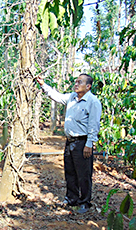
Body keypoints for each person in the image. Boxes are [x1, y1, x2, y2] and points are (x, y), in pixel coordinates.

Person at [36, 74, 102, 214]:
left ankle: (84, 202)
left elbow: (94, 125)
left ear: (88, 86)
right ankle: (71, 199)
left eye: (80, 82)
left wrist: (89, 144)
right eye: (76, 81)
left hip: (83, 142)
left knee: (84, 174)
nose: (76, 84)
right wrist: (43, 84)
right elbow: (57, 96)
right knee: (70, 171)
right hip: (70, 141)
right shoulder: (72, 97)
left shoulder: (92, 102)